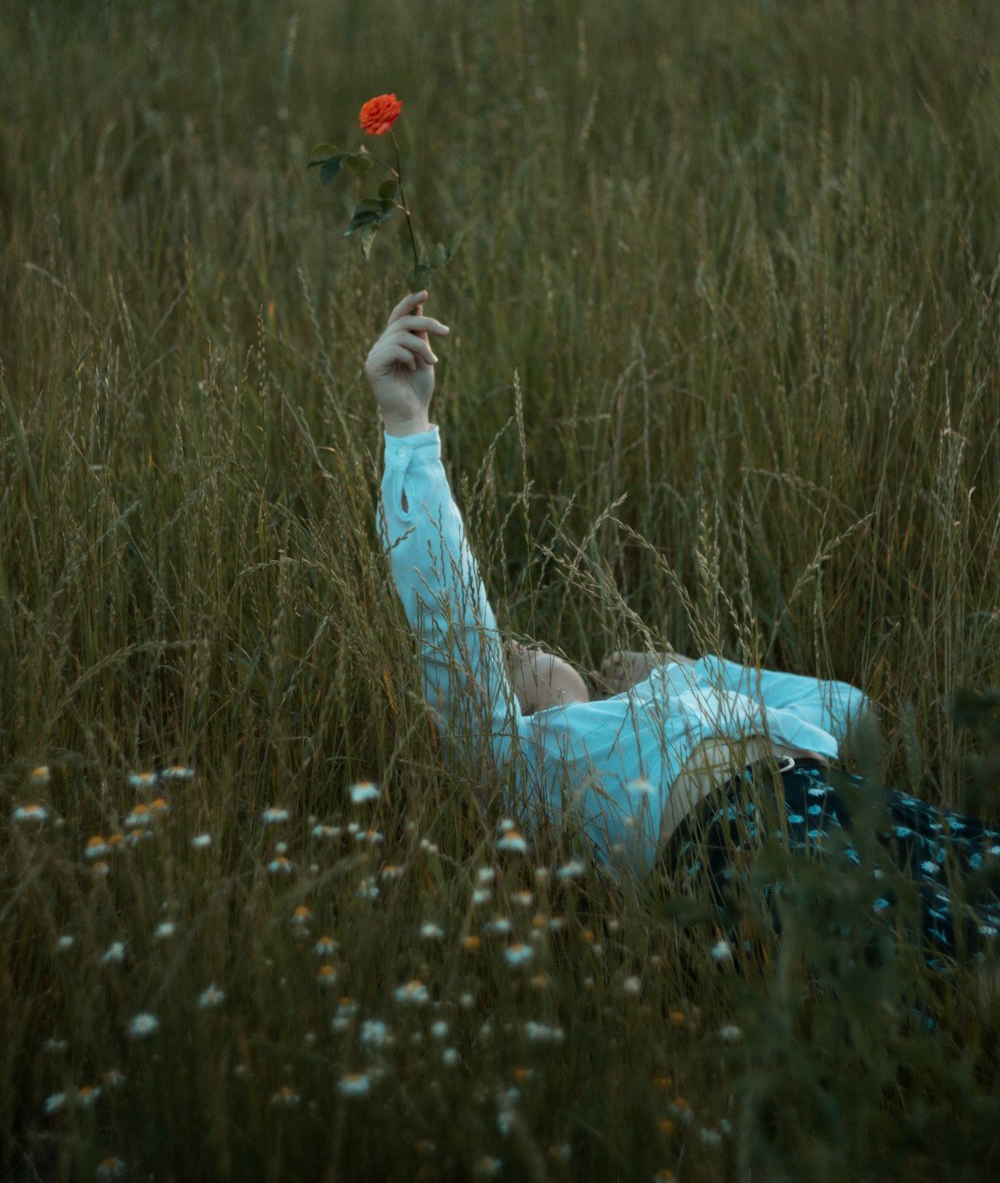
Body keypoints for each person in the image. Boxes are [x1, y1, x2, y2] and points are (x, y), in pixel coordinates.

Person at [367, 291, 1000, 970]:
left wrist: (696, 673)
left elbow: (852, 713)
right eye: (508, 664)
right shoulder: (534, 765)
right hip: (745, 842)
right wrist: (408, 426)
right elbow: (453, 624)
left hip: (856, 804)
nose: (513, 646)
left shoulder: (680, 694)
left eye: (517, 646)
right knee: (944, 969)